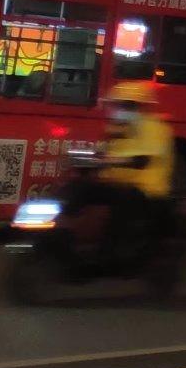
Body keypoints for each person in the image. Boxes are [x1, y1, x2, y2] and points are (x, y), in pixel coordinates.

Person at [66, 79, 176, 262]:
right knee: (79, 189)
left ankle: (107, 253)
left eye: (124, 105)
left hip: (145, 190)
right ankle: (66, 232)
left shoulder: (155, 129)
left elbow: (142, 159)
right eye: (116, 105)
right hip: (117, 184)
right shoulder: (118, 128)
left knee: (121, 203)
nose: (118, 109)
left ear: (138, 107)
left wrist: (112, 161)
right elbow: (101, 152)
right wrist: (83, 159)